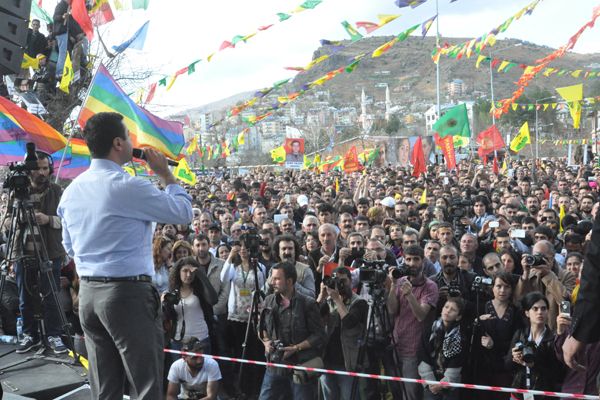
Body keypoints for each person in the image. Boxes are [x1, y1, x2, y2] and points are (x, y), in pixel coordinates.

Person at [57, 112, 193, 399]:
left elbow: (68, 247)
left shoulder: (71, 192)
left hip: (89, 295)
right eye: (129, 136)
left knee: (105, 388)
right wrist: (165, 174)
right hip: (126, 295)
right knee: (146, 386)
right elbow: (183, 213)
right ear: (118, 143)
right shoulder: (127, 186)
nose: (133, 141)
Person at [11, 151, 67, 354]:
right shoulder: (17, 192)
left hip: (50, 253)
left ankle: (53, 334)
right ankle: (30, 335)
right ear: (28, 170)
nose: (41, 172)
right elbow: (6, 222)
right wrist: (19, 219)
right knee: (25, 297)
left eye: (45, 168)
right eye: (37, 168)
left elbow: (69, 220)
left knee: (51, 296)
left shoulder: (57, 191)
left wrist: (49, 219)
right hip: (22, 253)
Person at [258, 261, 325, 400]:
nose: (272, 282)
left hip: (300, 366)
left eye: (277, 278)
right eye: (272, 278)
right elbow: (262, 328)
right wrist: (266, 342)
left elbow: (318, 335)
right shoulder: (269, 301)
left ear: (289, 281)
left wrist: (296, 348)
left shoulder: (308, 303)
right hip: (275, 365)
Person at [388, 244, 439, 400]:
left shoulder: (430, 286)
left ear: (422, 261)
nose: (411, 263)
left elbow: (421, 315)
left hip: (415, 347)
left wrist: (410, 295)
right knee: (395, 390)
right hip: (396, 342)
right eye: (408, 259)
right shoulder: (400, 280)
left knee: (410, 393)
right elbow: (392, 310)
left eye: (415, 259)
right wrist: (392, 285)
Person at [316, 266, 368, 399]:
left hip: (347, 362)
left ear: (351, 281)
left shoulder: (360, 302)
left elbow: (349, 322)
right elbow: (312, 318)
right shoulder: (328, 301)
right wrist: (321, 295)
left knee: (348, 396)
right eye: (336, 281)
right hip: (327, 360)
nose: (340, 284)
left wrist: (337, 300)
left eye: (343, 281)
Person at [506, 292, 563, 399]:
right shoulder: (520, 334)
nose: (540, 312)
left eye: (543, 308)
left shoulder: (553, 338)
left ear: (548, 312)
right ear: (527, 313)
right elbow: (508, 365)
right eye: (535, 309)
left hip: (543, 395)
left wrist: (534, 365)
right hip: (519, 392)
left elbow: (557, 373)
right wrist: (513, 357)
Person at [418, 297, 467, 400]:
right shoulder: (429, 330)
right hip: (430, 383)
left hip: (450, 384)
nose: (448, 310)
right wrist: (431, 383)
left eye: (453, 310)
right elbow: (423, 356)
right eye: (446, 307)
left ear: (458, 317)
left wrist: (442, 384)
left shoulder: (460, 337)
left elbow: (457, 363)